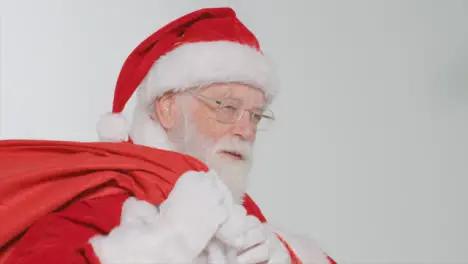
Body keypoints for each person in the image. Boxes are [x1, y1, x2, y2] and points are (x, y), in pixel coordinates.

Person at [0, 7, 336, 264]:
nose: (246, 130)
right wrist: (166, 242)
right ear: (167, 109)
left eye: (256, 115)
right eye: (227, 107)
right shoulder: (104, 198)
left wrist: (290, 256)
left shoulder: (245, 218)